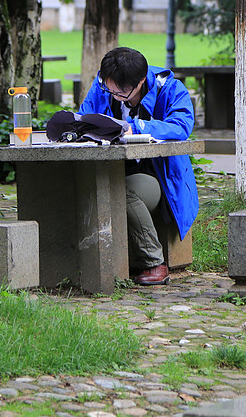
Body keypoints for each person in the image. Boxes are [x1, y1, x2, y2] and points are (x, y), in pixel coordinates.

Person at [79, 47, 199, 286]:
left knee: (123, 191)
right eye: (108, 88)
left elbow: (181, 126)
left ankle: (154, 262)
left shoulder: (170, 89)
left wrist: (140, 127)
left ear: (141, 81)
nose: (113, 95)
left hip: (158, 177)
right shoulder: (104, 85)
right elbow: (84, 117)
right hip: (109, 169)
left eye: (120, 92)